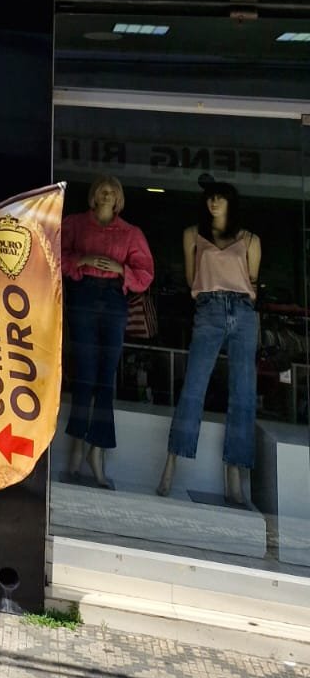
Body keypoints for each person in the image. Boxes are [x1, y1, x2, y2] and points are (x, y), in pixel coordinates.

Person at [157, 183, 260, 506]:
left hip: (243, 311)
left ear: (231, 201)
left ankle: (234, 474)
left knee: (243, 393)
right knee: (193, 386)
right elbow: (192, 279)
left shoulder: (250, 239)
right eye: (210, 197)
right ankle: (171, 463)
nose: (214, 202)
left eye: (220, 197)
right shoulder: (193, 235)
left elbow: (252, 282)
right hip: (209, 308)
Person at [60, 174, 155, 488]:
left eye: (113, 191)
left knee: (105, 378)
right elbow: (53, 255)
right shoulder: (75, 224)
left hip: (114, 298)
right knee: (85, 375)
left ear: (119, 199)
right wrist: (82, 260)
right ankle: (76, 451)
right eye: (102, 189)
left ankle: (96, 453)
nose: (107, 194)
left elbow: (145, 274)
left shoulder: (130, 233)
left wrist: (120, 269)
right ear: (93, 194)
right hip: (83, 296)